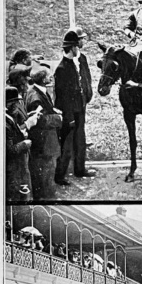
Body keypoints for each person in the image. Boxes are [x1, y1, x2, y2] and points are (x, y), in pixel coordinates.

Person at [53, 29, 93, 187]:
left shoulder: (80, 60)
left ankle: (80, 169)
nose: (80, 47)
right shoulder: (62, 69)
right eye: (78, 44)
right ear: (72, 47)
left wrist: (86, 98)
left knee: (80, 139)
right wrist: (68, 117)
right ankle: (60, 176)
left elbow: (85, 80)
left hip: (80, 107)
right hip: (69, 112)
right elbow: (61, 96)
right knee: (67, 144)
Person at [24, 67, 62, 200]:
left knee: (45, 175)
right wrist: (58, 118)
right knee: (46, 174)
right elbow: (41, 120)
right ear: (42, 79)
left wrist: (52, 110)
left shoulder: (35, 91)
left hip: (43, 144)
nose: (51, 77)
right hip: (44, 145)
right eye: (48, 76)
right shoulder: (36, 97)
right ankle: (47, 199)